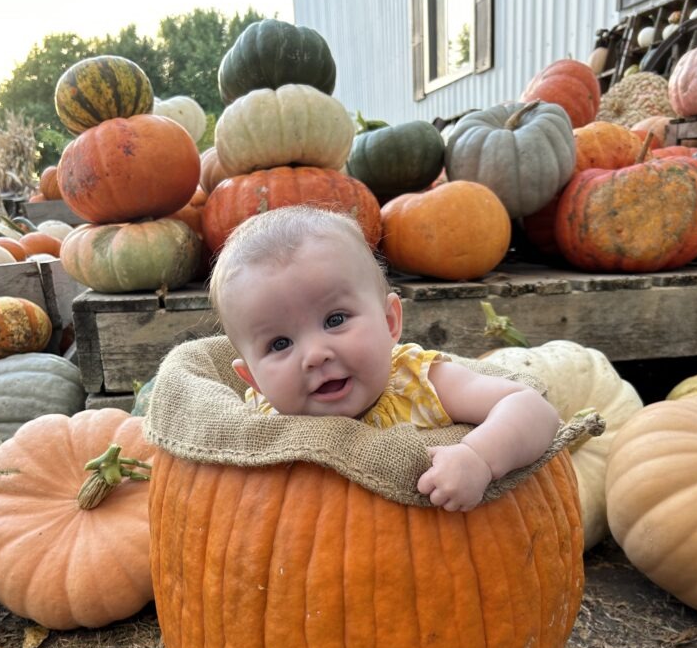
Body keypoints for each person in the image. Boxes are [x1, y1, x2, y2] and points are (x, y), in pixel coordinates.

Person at [209, 206, 559, 512]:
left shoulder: (418, 383)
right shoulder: (257, 423)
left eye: (335, 320)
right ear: (253, 379)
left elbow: (531, 408)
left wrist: (480, 457)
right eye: (280, 343)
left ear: (389, 321)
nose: (315, 355)